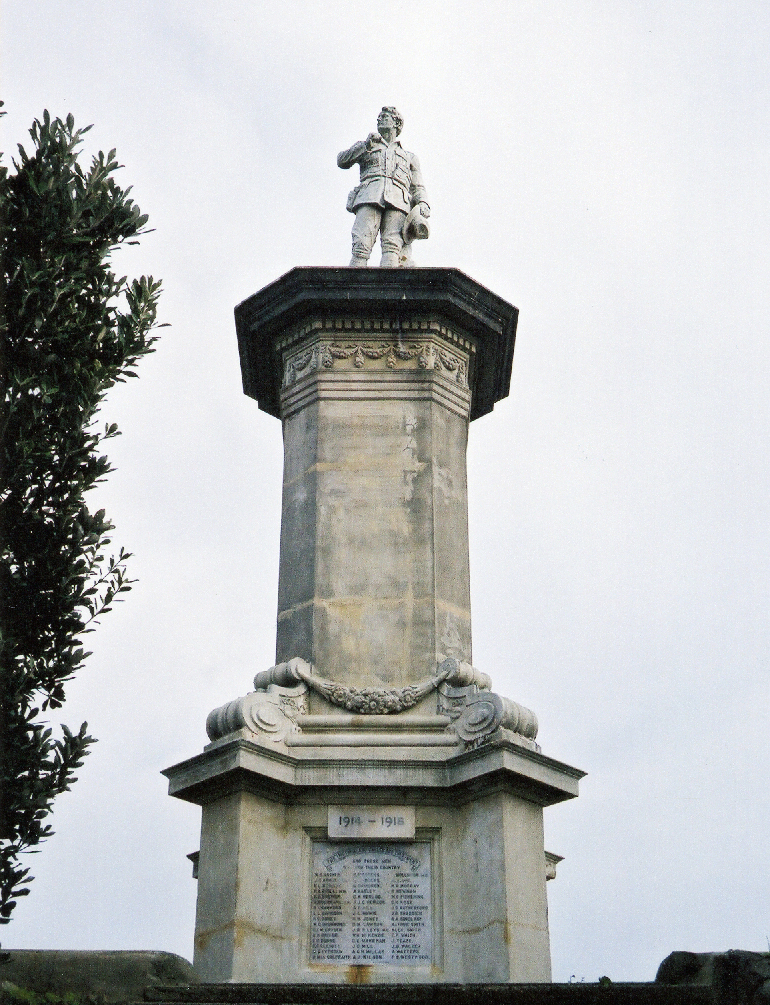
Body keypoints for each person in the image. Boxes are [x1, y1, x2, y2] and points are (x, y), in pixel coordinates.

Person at [337, 107, 430, 267]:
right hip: (369, 196)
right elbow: (342, 160)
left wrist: (423, 203)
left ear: (396, 123)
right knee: (361, 244)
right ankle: (353, 288)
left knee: (392, 246)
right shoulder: (367, 145)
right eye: (379, 117)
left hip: (398, 201)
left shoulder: (409, 157)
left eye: (384, 116)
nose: (379, 119)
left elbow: (417, 186)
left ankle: (390, 288)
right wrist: (365, 146)